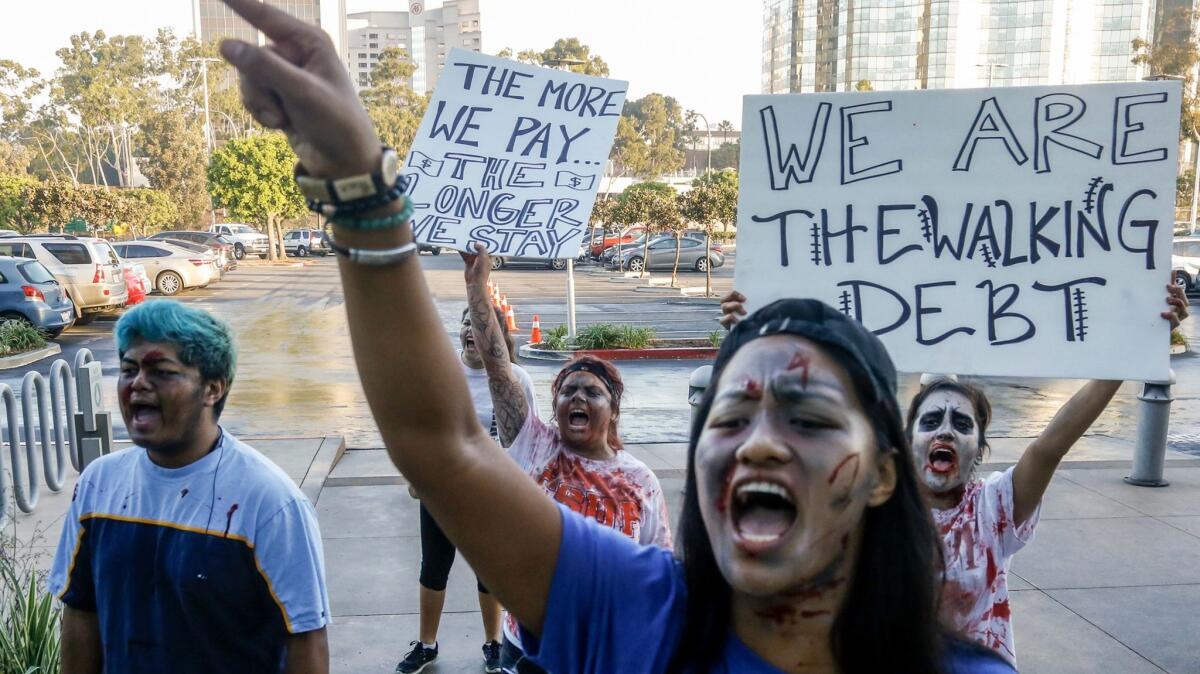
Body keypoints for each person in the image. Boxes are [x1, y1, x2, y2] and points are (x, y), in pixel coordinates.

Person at [212, 4, 1013, 671]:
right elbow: (439, 441)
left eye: (805, 418)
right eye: (728, 419)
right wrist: (358, 188)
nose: (757, 445)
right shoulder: (633, 613)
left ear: (882, 474)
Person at [719, 285, 1188, 666]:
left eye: (962, 424)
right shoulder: (871, 503)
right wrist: (749, 342)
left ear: (978, 450)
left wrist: (1136, 346)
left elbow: (1050, 445)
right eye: (931, 421)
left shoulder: (996, 508)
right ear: (906, 443)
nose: (945, 429)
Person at [48, 300, 330, 674]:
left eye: (162, 371)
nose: (138, 384)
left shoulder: (270, 502)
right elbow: (82, 610)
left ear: (212, 388)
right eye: (128, 369)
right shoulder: (99, 485)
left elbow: (306, 638)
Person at [457, 244, 673, 672]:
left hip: (604, 650)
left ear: (613, 411)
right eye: (568, 391)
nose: (578, 397)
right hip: (528, 646)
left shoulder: (640, 480)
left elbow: (659, 574)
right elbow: (499, 368)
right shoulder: (535, 446)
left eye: (592, 392)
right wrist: (476, 288)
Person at [397, 299, 538, 674]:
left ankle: (493, 644)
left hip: (493, 495)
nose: (469, 330)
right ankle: (427, 645)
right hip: (441, 492)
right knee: (433, 569)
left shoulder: (515, 379)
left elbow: (531, 438)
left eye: (478, 325)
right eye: (464, 323)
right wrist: (415, 476)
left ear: (497, 336)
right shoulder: (441, 373)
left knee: (489, 572)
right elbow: (419, 428)